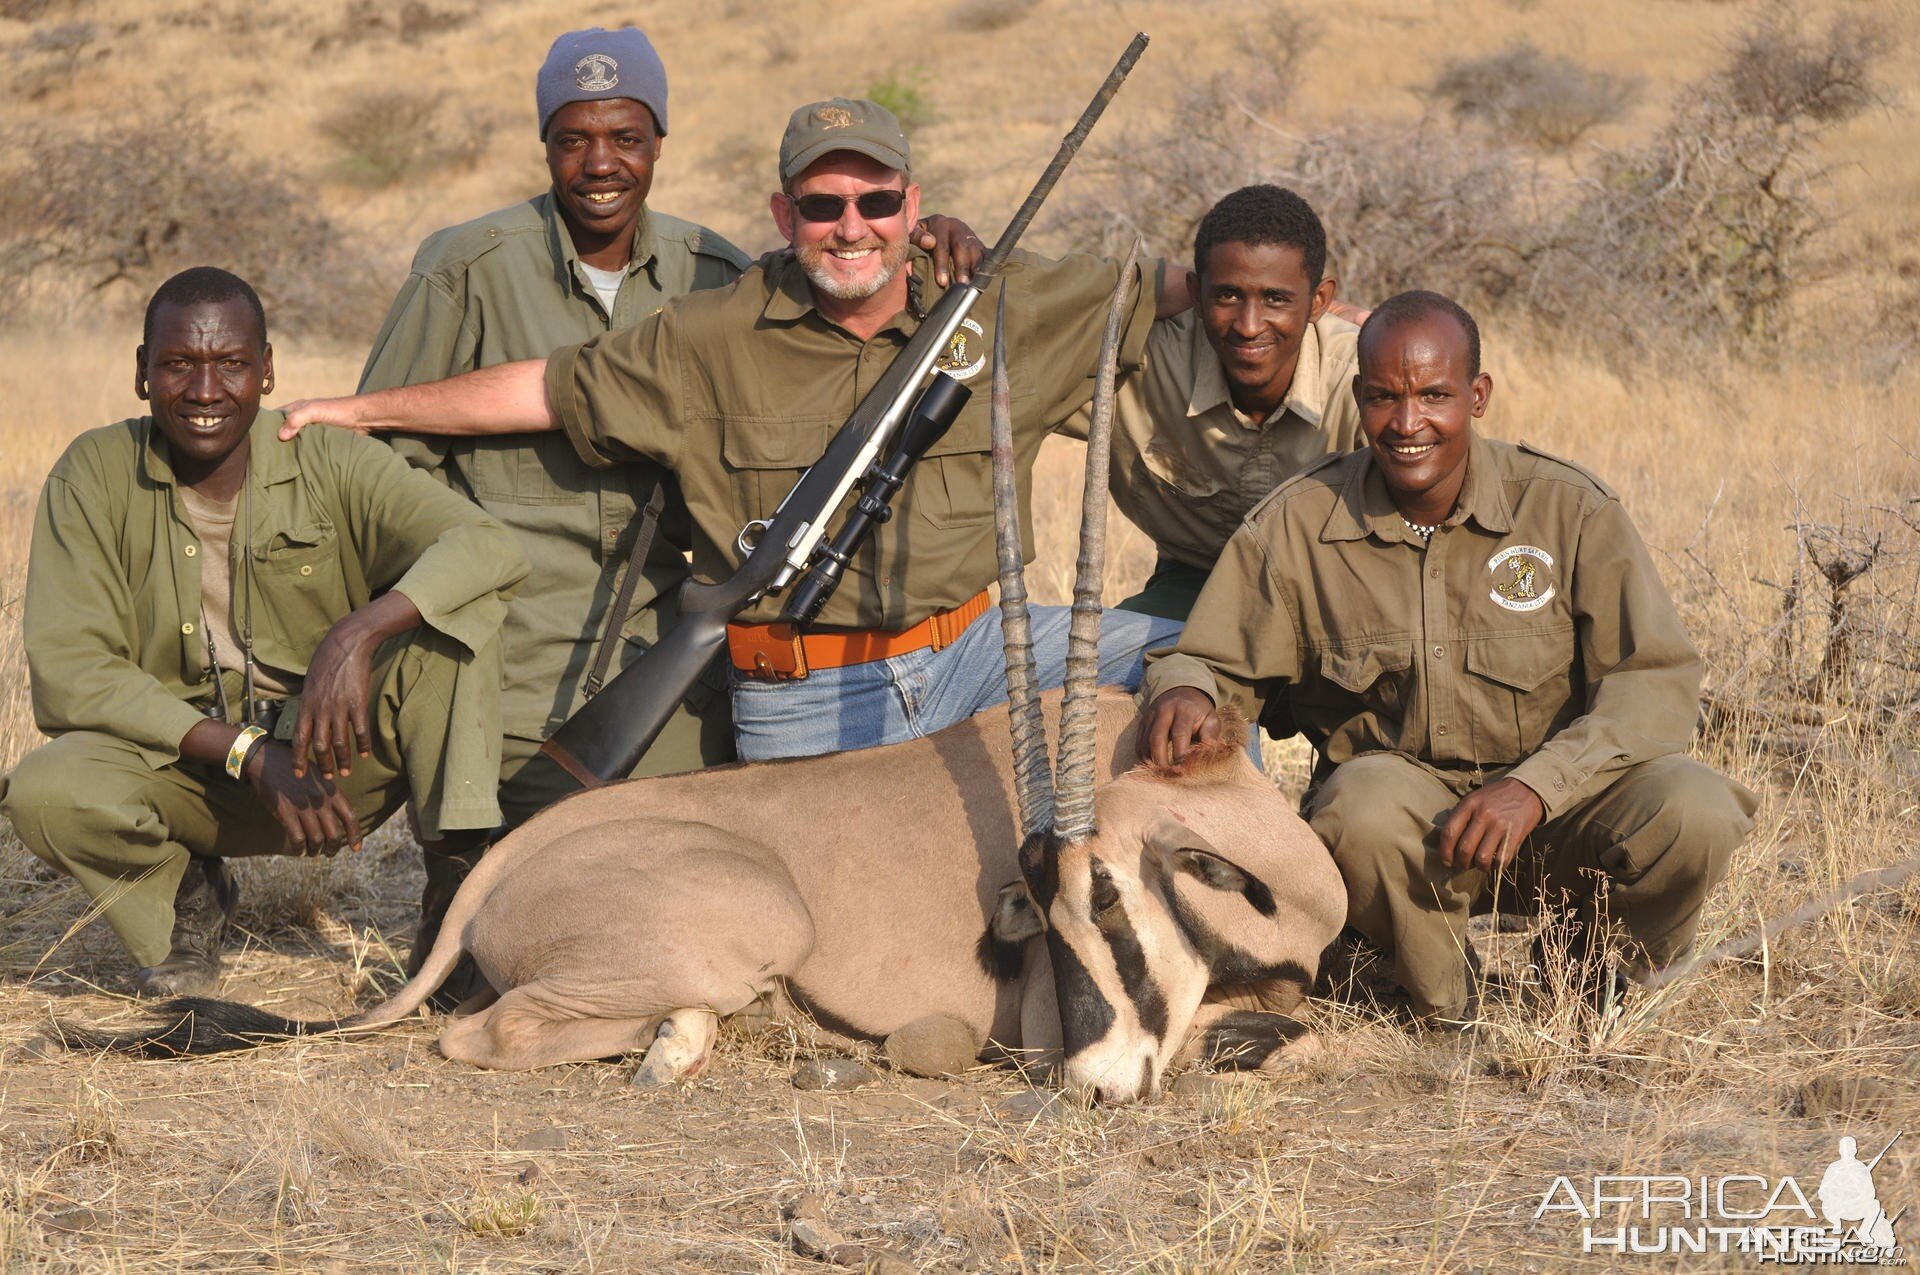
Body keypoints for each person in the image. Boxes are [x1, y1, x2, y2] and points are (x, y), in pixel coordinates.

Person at [284, 97, 1192, 762]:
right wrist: (357, 409)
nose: (850, 228)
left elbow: (1211, 292)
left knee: (1193, 662)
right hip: (806, 689)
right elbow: (548, 391)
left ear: (913, 209)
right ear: (782, 213)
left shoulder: (1000, 300)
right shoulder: (706, 332)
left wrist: (1321, 302)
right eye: (822, 204)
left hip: (979, 652)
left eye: (876, 204)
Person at [1139, 291, 1757, 1024]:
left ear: (1478, 395)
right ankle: (1442, 1002)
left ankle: (1596, 976)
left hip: (1566, 814)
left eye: (1434, 395)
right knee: (1359, 805)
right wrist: (1187, 690)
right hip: (1416, 843)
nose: (1407, 424)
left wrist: (1536, 787)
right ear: (1358, 397)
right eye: (1383, 398)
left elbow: (1655, 682)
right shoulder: (1297, 524)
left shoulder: (1568, 508)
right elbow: (1208, 657)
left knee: (1697, 806)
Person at [0, 269, 528, 997]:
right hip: (195, 775)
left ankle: (455, 902)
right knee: (45, 789)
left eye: (232, 364)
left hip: (337, 761)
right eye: (179, 364)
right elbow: (71, 669)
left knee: (460, 618)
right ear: (141, 372)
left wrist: (359, 631)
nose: (206, 391)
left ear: (268, 369)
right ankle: (188, 905)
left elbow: (488, 545)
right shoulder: (91, 474)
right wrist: (246, 751)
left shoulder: (333, 461)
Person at [1077, 185, 1367, 622]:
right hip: (1192, 584)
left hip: (1332, 592)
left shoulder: (1364, 376)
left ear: (1319, 301)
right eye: (1228, 295)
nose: (1249, 327)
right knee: (1096, 673)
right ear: (1194, 292)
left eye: (1276, 299)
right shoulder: (1138, 361)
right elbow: (1029, 337)